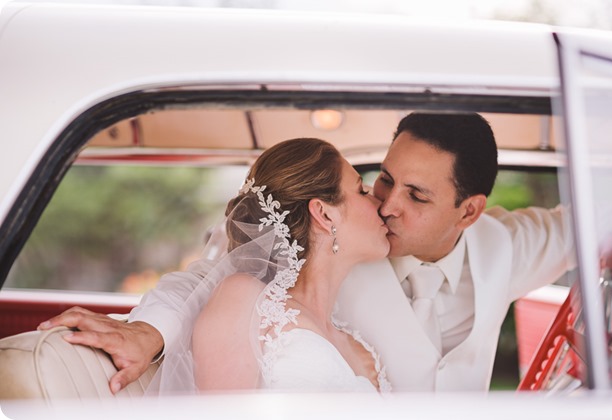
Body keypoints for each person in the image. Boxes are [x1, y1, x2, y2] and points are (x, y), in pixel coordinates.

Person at [40, 113, 576, 393]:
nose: (386, 204)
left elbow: (584, 226)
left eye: (417, 195)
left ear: (469, 211)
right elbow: (209, 278)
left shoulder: (505, 246)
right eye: (381, 181)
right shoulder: (310, 273)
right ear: (324, 215)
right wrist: (148, 330)